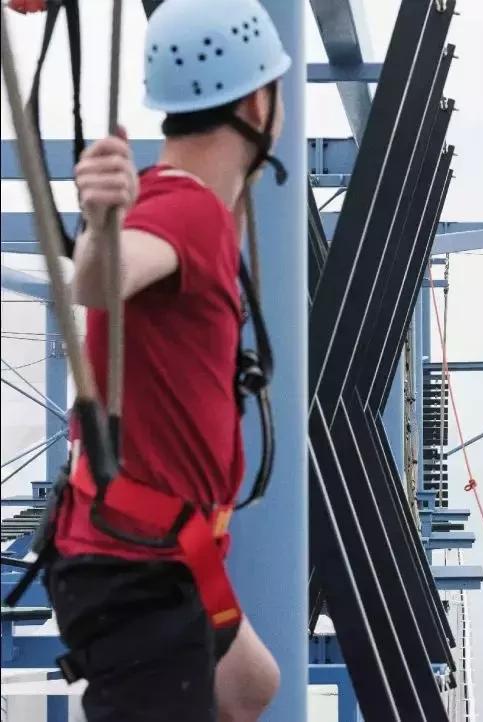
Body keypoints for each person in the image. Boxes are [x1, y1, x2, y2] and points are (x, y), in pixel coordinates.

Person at [38, 1, 291, 719]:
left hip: (164, 551)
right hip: (135, 569)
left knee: (250, 686)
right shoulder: (184, 210)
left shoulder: (188, 204)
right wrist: (100, 225)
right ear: (255, 102)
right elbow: (98, 280)